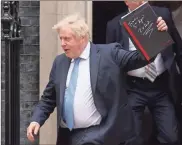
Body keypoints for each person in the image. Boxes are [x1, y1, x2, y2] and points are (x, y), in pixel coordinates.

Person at [27, 13, 168, 145]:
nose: (62, 43)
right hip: (66, 136)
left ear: (82, 38)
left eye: (67, 39)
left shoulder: (109, 54)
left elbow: (139, 58)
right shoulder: (60, 62)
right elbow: (49, 98)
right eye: (61, 39)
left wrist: (156, 35)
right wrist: (36, 120)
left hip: (97, 134)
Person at [106, 1, 182, 145]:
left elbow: (178, 49)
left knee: (171, 137)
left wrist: (164, 33)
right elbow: (110, 61)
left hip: (161, 86)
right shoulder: (114, 25)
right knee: (131, 138)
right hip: (133, 88)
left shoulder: (162, 15)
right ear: (126, 1)